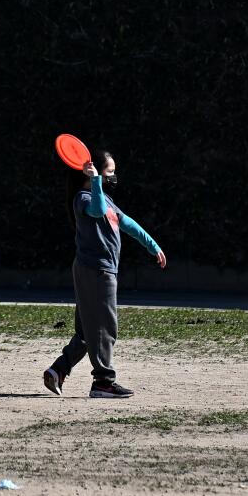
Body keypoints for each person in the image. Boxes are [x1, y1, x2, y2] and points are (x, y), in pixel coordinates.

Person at [42, 150, 167, 399]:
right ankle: (103, 382)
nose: (113, 176)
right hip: (96, 270)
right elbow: (97, 211)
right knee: (106, 328)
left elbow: (127, 222)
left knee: (88, 332)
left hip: (98, 270)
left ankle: (57, 371)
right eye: (110, 171)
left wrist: (153, 245)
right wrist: (96, 180)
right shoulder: (84, 198)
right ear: (94, 173)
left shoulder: (105, 198)